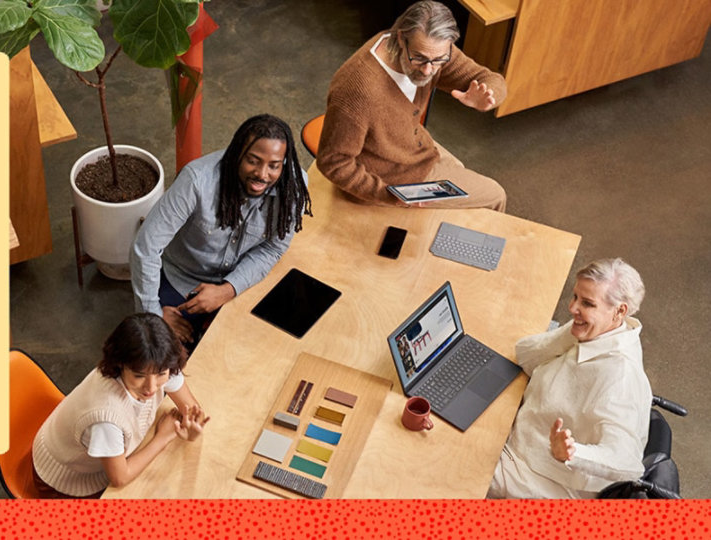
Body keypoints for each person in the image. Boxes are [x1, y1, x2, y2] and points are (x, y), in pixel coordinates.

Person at [131, 114, 312, 346]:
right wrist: (153, 317)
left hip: (240, 283)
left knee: (264, 348)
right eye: (253, 160)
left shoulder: (293, 187)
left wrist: (227, 290)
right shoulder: (196, 181)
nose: (262, 174)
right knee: (163, 358)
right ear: (237, 152)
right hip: (182, 281)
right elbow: (146, 248)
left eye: (274, 166)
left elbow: (272, 249)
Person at [316, 1, 507, 211]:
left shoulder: (434, 50)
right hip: (390, 179)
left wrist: (489, 96)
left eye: (438, 60)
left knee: (458, 170)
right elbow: (333, 162)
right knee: (495, 196)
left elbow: (489, 78)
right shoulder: (358, 90)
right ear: (400, 37)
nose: (428, 70)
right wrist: (388, 194)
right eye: (419, 58)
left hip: (416, 150)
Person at [488, 258, 652, 498]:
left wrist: (573, 453)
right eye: (575, 297)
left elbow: (628, 463)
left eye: (587, 303)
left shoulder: (620, 377)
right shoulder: (599, 329)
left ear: (620, 311)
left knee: (453, 463)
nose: (573, 308)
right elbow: (525, 354)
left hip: (538, 475)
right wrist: (570, 334)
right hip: (522, 433)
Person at [32, 313, 209, 498]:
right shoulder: (106, 419)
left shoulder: (157, 363)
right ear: (120, 364)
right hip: (66, 480)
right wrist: (162, 438)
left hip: (95, 456)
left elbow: (191, 409)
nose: (151, 387)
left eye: (161, 374)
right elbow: (120, 477)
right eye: (139, 376)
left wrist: (193, 428)